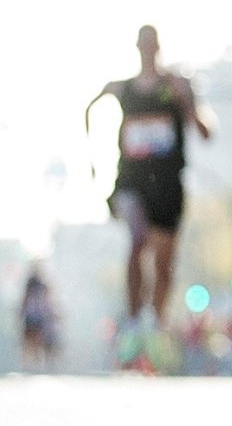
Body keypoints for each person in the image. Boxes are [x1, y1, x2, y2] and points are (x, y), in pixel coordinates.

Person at [87, 25, 211, 367]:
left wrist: (185, 102)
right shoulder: (122, 87)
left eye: (152, 44)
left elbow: (203, 131)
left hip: (168, 184)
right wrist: (92, 165)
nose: (147, 50)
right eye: (142, 44)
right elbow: (90, 108)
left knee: (164, 264)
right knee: (137, 236)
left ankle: (154, 322)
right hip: (131, 180)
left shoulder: (177, 85)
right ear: (136, 47)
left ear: (158, 47)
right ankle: (131, 321)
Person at [17, 265, 57, 371]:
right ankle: (29, 364)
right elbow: (25, 300)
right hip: (32, 316)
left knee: (36, 339)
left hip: (38, 316)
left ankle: (35, 362)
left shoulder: (43, 286)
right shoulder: (30, 285)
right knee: (29, 339)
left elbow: (48, 301)